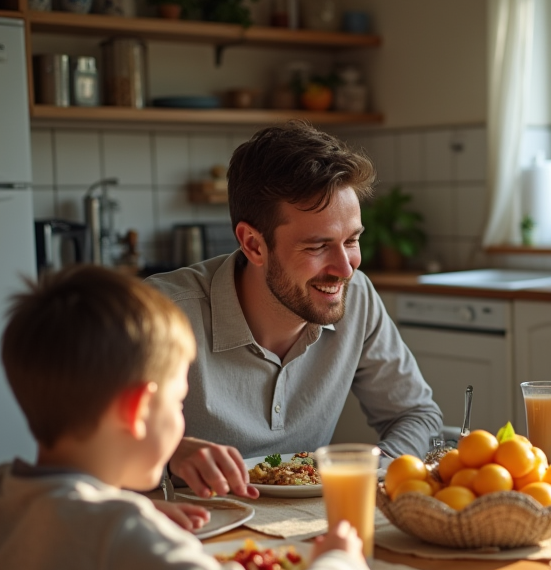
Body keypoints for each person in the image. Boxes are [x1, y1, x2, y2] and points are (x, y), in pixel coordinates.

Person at [0, 266, 374, 570]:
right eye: (176, 404)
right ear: (136, 410)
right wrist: (340, 565)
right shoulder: (116, 537)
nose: (180, 426)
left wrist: (140, 509)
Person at [147, 122, 442, 500]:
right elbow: (76, 445)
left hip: (307, 528)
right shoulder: (160, 315)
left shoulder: (357, 297)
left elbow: (416, 415)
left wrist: (378, 464)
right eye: (318, 246)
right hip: (193, 535)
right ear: (253, 245)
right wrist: (169, 453)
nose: (345, 267)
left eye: (351, 240)